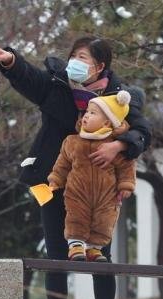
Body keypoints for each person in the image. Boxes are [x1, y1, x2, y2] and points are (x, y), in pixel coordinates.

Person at [0, 36, 151, 299]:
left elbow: (143, 132)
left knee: (100, 256)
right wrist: (10, 60)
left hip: (98, 191)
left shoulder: (120, 98)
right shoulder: (57, 84)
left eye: (83, 57)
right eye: (73, 54)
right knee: (56, 254)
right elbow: (31, 78)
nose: (74, 61)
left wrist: (119, 144)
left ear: (100, 65)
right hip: (50, 182)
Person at [47, 90, 136, 263]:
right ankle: (76, 245)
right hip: (77, 192)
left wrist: (126, 185)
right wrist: (55, 179)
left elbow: (127, 165)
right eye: (87, 112)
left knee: (104, 221)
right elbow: (63, 163)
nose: (86, 116)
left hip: (106, 195)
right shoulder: (73, 141)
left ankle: (94, 249)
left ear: (107, 122)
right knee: (76, 216)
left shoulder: (113, 146)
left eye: (92, 113)